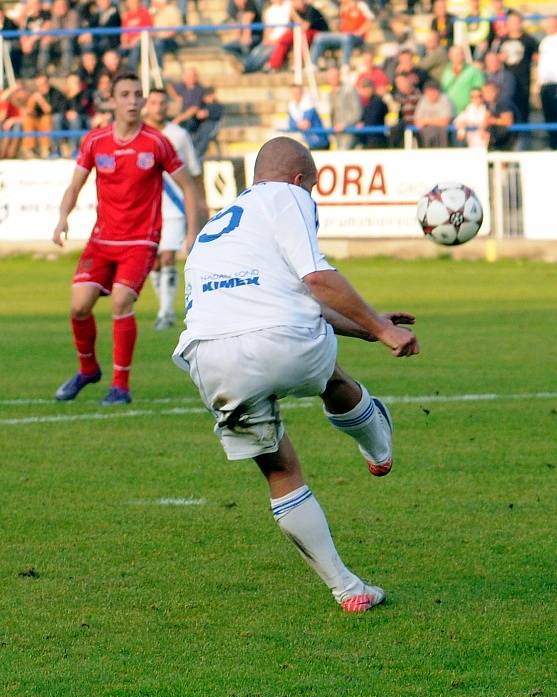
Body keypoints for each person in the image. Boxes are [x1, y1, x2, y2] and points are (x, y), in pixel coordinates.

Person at [172, 136, 419, 613]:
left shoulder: (215, 229)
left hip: (210, 358)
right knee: (329, 377)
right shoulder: (289, 197)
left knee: (280, 468)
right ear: (299, 178)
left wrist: (371, 327)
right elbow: (318, 281)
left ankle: (348, 590)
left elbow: (281, 301)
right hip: (284, 343)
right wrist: (382, 331)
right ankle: (378, 448)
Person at [52, 72, 200, 405]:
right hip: (102, 239)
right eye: (125, 94)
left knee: (121, 301)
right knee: (78, 306)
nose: (133, 101)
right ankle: (88, 370)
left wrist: (192, 232)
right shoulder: (95, 140)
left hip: (141, 240)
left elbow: (189, 187)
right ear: (113, 100)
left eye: (137, 95)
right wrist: (63, 218)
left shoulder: (156, 142)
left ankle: (121, 386)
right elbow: (75, 185)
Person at [144, 89, 208, 329]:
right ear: (146, 105)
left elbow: (194, 171)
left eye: (162, 103)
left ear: (168, 105)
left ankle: (166, 312)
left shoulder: (179, 135)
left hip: (174, 207)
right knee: (153, 262)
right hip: (147, 207)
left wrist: (201, 203)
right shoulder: (139, 134)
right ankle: (165, 305)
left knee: (168, 256)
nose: (158, 107)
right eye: (153, 103)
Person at [309, 0, 374, 70]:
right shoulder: (343, 6)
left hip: (357, 37)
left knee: (347, 38)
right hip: (343, 35)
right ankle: (312, 65)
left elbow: (370, 20)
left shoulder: (361, 5)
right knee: (319, 37)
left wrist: (359, 32)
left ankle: (345, 65)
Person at [325, 65, 361, 149]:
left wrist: (345, 125)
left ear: (339, 76)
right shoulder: (330, 94)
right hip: (337, 133)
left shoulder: (349, 90)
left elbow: (357, 112)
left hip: (349, 132)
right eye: (329, 77)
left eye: (334, 76)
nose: (331, 79)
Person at [287, 84, 329, 149]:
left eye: (297, 92)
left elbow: (306, 124)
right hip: (308, 142)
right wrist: (299, 124)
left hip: (319, 141)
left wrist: (297, 125)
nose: (296, 95)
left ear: (302, 92)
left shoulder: (309, 103)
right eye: (294, 93)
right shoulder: (292, 106)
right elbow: (291, 124)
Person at [414, 79, 453, 147]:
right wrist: (436, 121)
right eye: (429, 91)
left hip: (442, 132)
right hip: (426, 132)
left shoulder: (445, 100)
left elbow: (445, 121)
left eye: (433, 91)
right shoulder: (423, 100)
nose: (431, 94)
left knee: (436, 130)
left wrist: (426, 121)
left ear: (439, 91)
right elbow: (417, 122)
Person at [538, 16, 557, 150]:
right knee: (549, 115)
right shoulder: (544, 41)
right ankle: (553, 145)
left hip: (555, 83)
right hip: (545, 85)